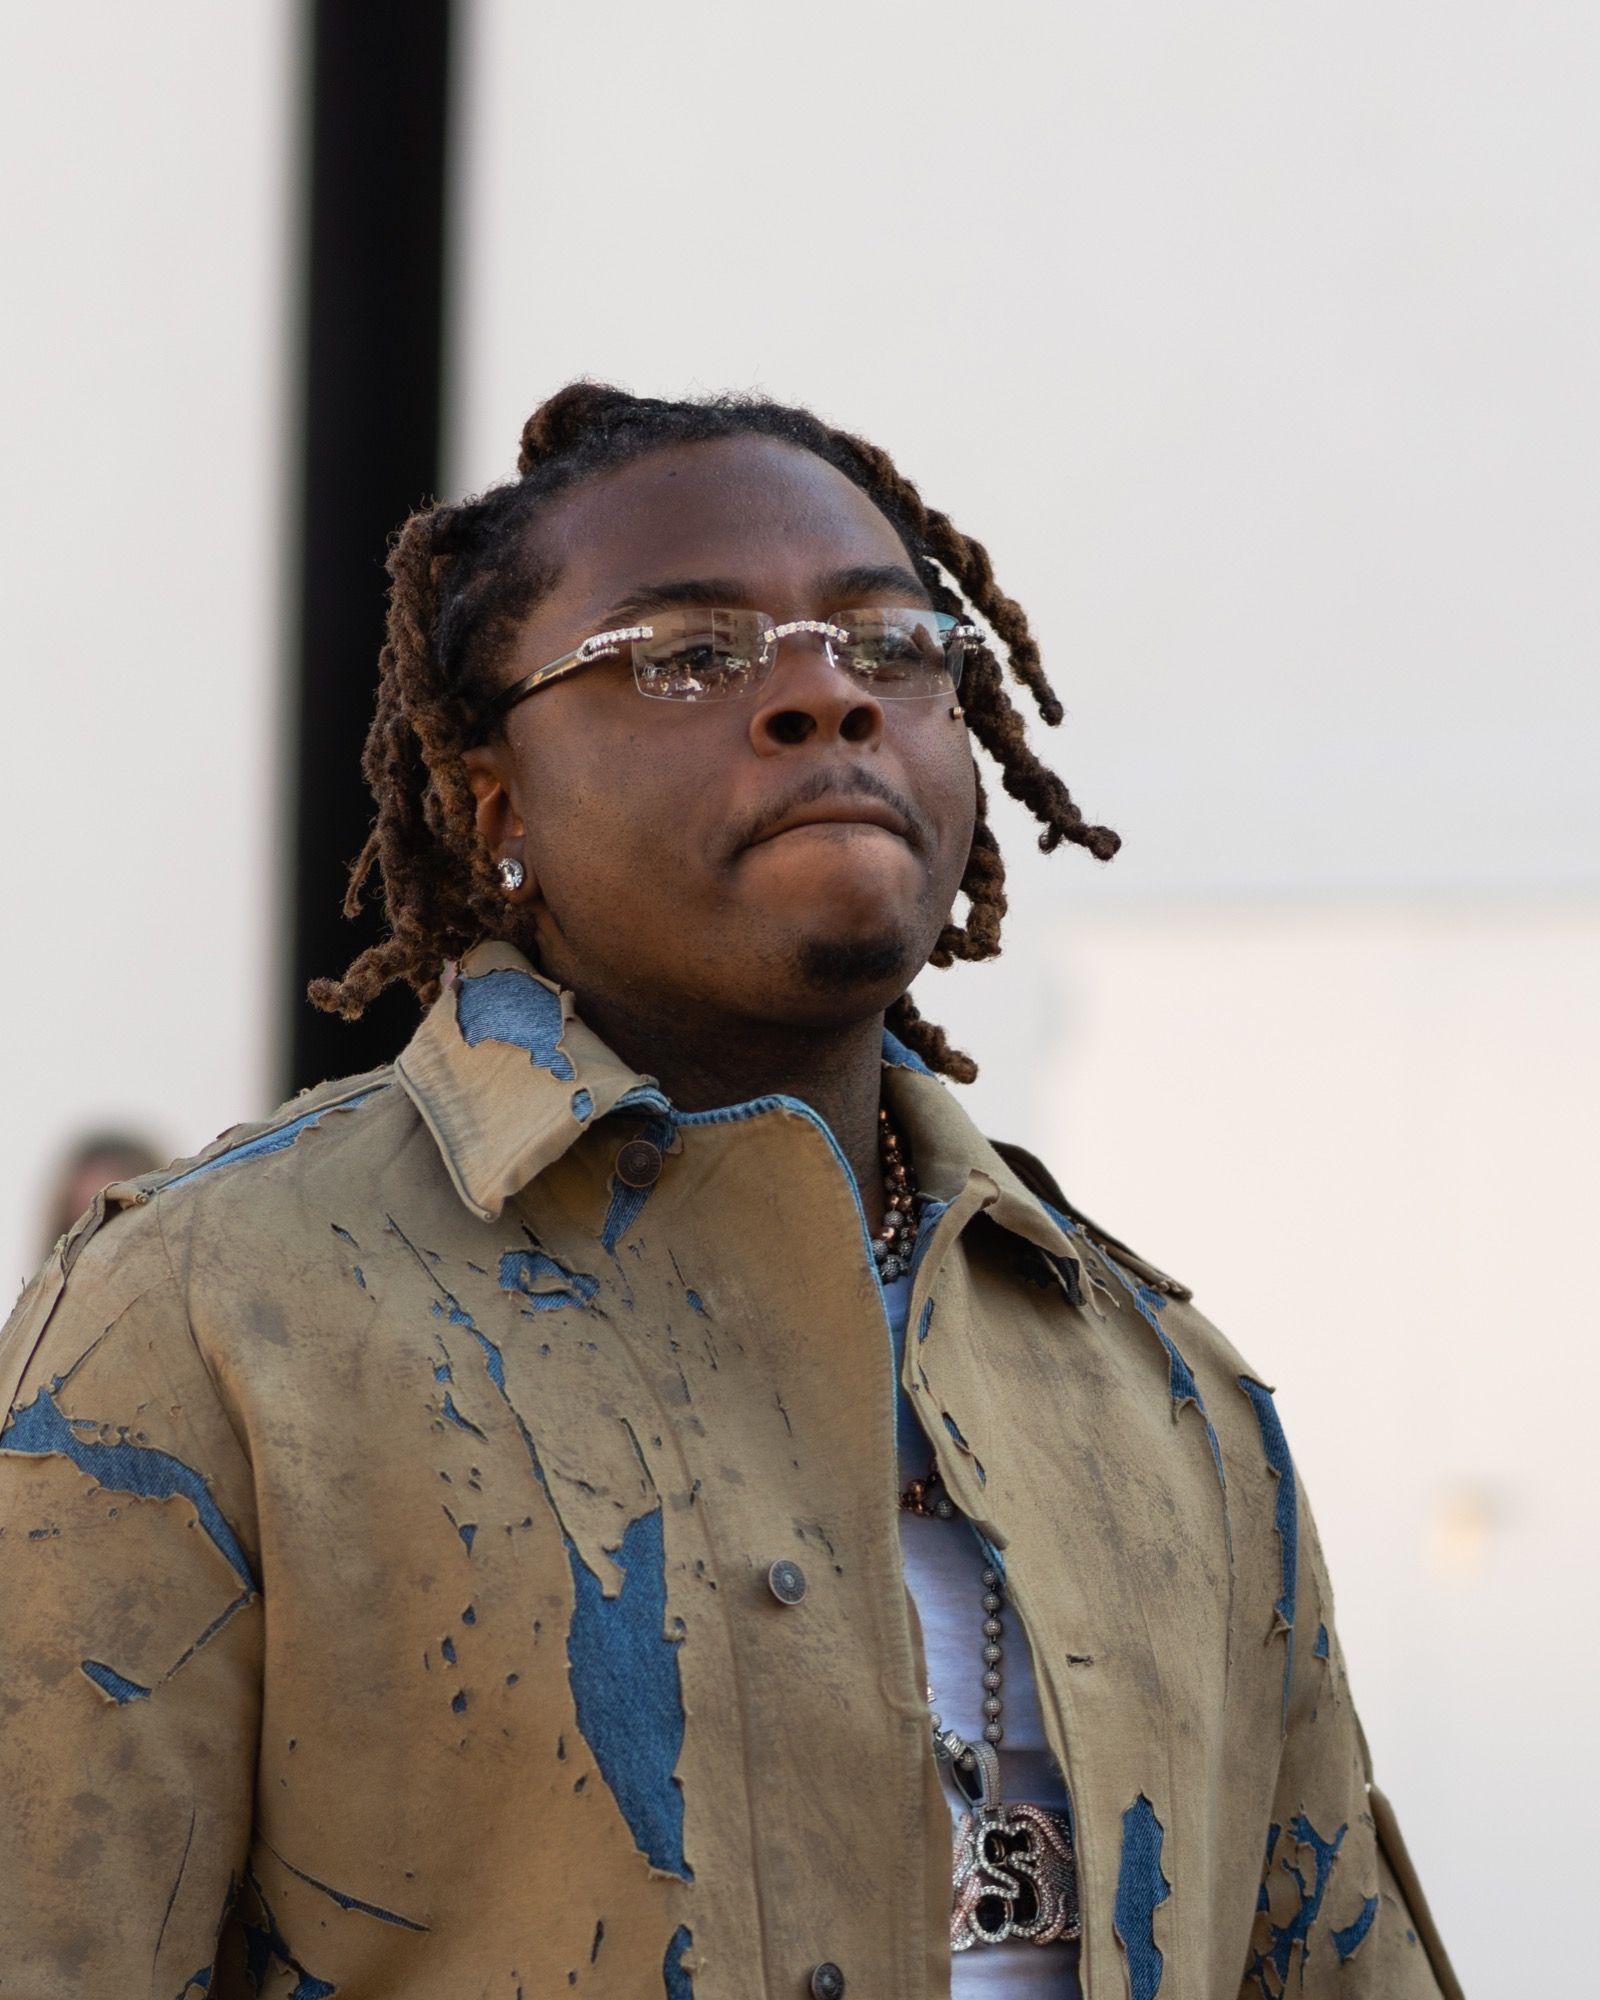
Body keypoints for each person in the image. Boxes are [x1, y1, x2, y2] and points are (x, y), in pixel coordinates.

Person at [0, 384, 1461, 1999]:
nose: (824, 697)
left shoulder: (1166, 1393)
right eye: (688, 656)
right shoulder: (210, 1315)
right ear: (498, 809)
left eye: (888, 645)